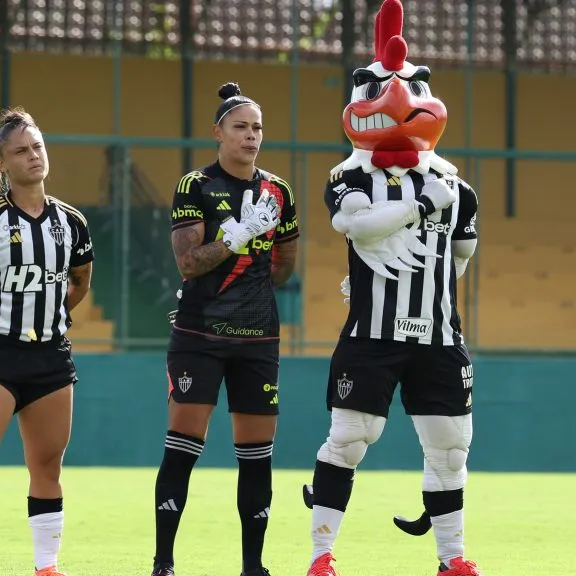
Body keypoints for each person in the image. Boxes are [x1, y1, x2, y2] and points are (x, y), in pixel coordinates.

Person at [300, 2, 482, 576]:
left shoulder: (459, 186)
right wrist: (423, 205)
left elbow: (459, 259)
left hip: (436, 334)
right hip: (371, 335)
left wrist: (415, 281)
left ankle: (452, 560)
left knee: (450, 449)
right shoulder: (351, 174)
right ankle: (320, 555)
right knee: (351, 437)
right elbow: (355, 225)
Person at [152, 82, 300, 576]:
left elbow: (284, 266)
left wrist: (253, 282)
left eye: (257, 128)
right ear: (219, 132)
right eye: (240, 127)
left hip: (258, 340)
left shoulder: (279, 192)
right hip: (200, 337)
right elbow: (189, 264)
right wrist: (238, 236)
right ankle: (164, 562)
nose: (251, 136)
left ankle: (253, 566)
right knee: (182, 449)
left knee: (257, 456)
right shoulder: (195, 186)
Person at [0, 107, 94, 576]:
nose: (33, 156)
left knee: (47, 463)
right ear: (1, 164)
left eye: (38, 147)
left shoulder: (71, 221)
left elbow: (81, 279)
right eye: (21, 150)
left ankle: (46, 566)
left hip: (51, 358)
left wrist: (54, 316)